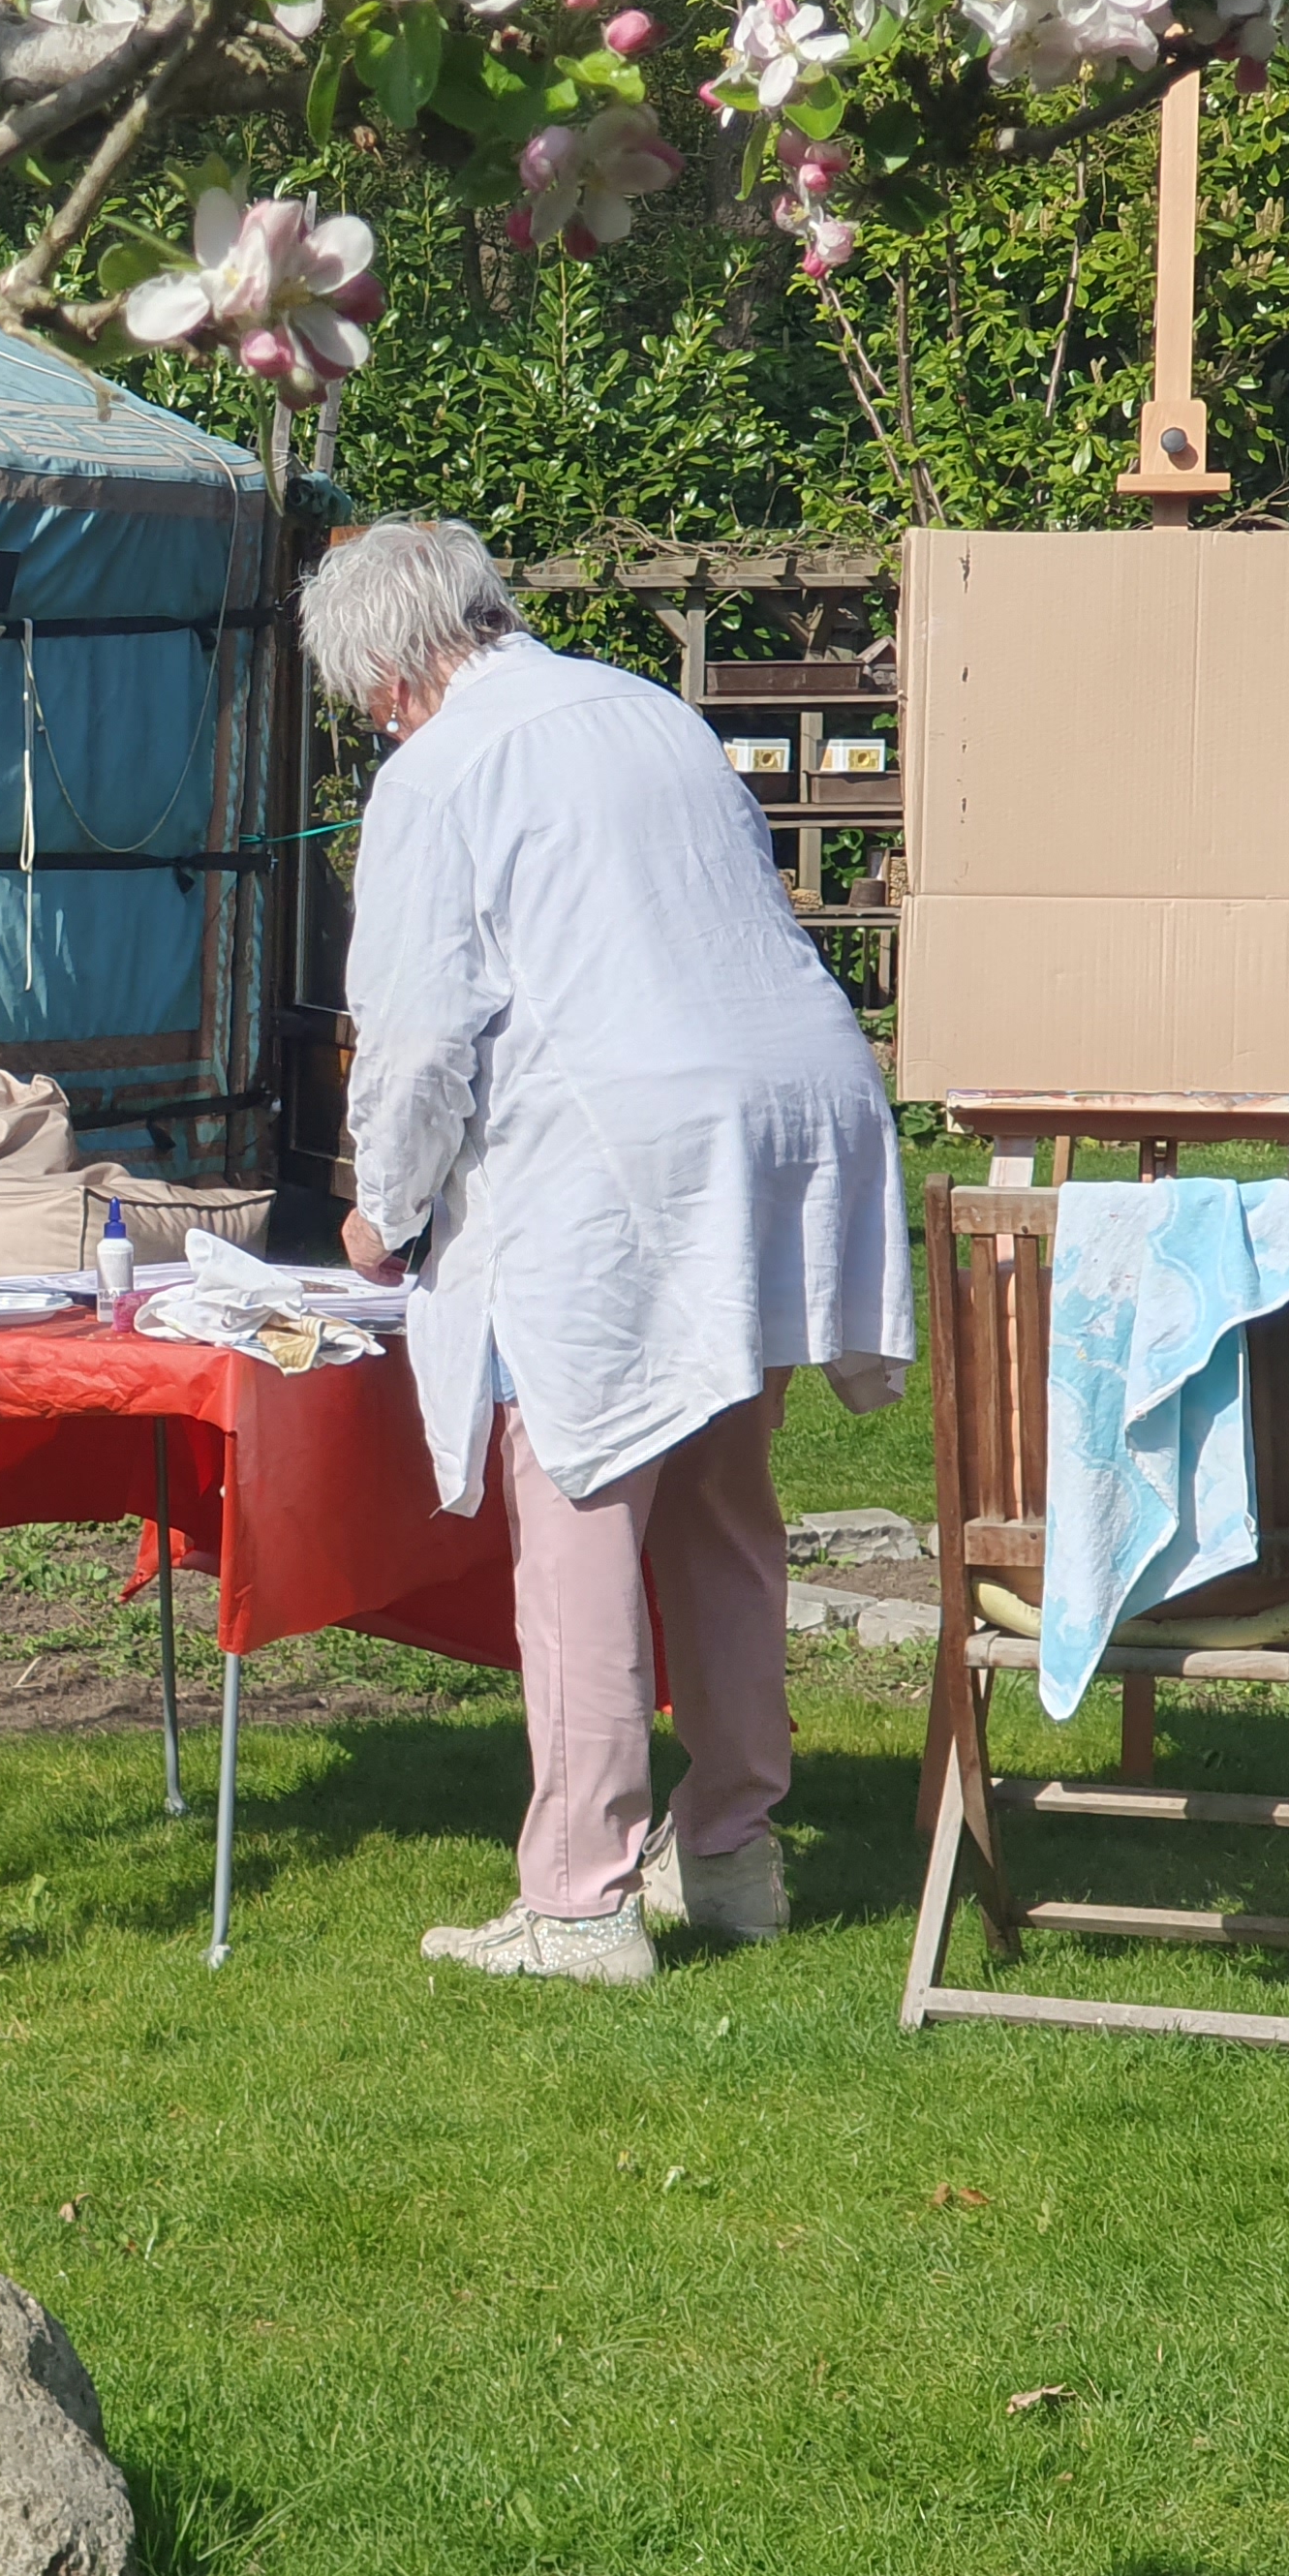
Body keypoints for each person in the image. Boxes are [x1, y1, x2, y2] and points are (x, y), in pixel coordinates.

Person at [312, 520, 913, 1985]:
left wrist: (381, 1212)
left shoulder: (439, 770)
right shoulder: (653, 712)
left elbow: (415, 1034)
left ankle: (579, 1898)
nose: (373, 720)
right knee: (718, 1499)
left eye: (364, 699)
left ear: (390, 670)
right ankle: (732, 1855)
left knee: (580, 1509)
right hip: (783, 1122)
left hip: (621, 1156)